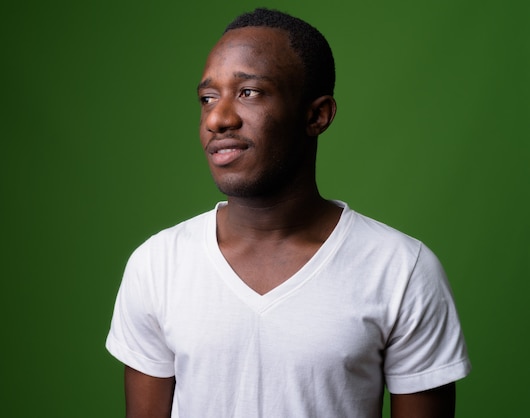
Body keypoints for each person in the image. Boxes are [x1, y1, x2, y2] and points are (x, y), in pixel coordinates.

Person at [106, 7, 471, 418]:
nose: (218, 118)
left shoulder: (401, 270)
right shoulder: (157, 265)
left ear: (317, 115)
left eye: (249, 92)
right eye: (208, 98)